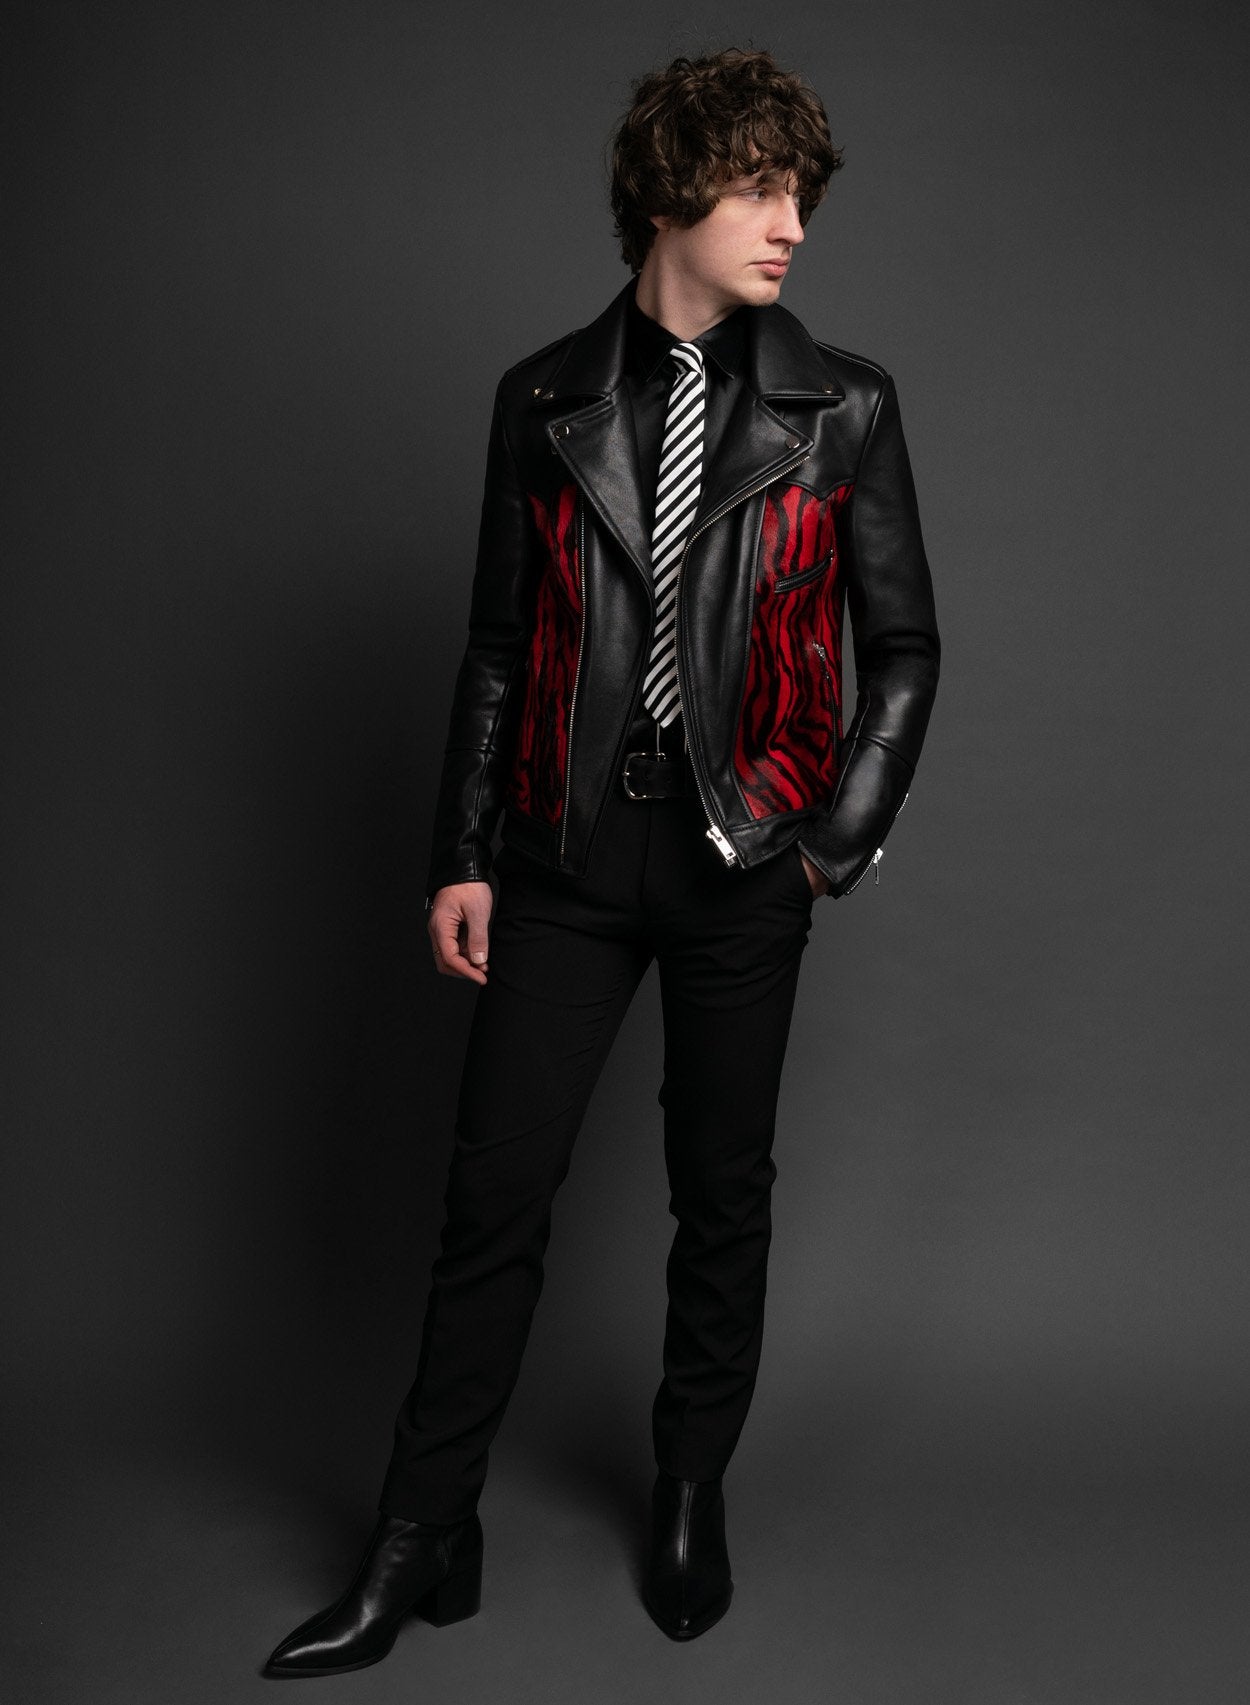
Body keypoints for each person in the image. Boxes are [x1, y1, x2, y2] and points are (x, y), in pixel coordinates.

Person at [263, 46, 939, 1678]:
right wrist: (463, 852)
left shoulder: (841, 405)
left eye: (800, 193)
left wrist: (826, 845)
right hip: (564, 852)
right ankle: (422, 1529)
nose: (790, 224)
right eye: (758, 188)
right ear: (667, 194)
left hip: (743, 858)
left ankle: (688, 1487)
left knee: (721, 1194)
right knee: (489, 1199)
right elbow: (499, 644)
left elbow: (904, 647)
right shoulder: (542, 401)